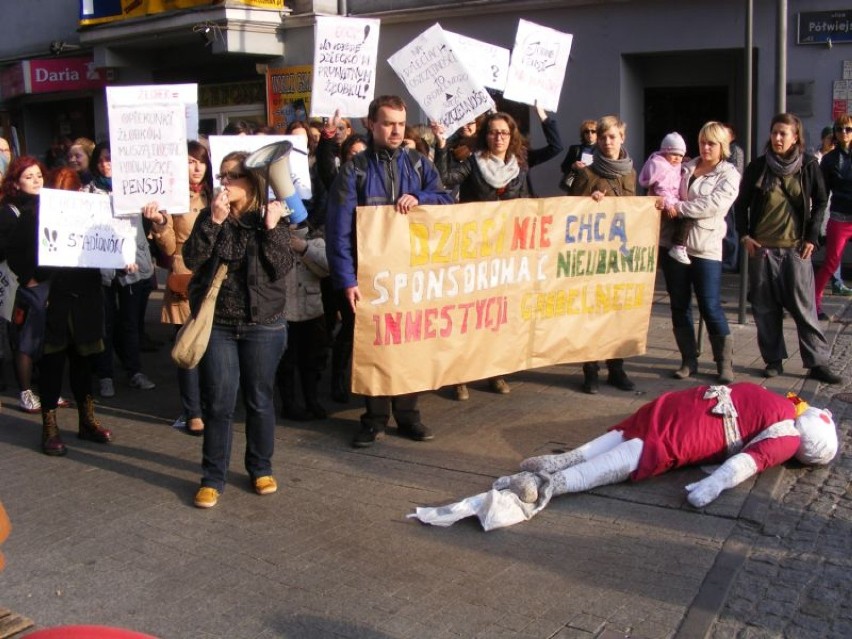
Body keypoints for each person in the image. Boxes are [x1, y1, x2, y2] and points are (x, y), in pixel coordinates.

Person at [412, 383, 837, 531]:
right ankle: (550, 484)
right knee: (623, 460)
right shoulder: (787, 437)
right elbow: (746, 464)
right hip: (685, 433)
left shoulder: (780, 402)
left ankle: (559, 462)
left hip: (675, 406)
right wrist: (708, 488)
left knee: (616, 437)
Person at [325, 95, 454, 448]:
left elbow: (447, 200)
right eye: (388, 123)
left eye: (400, 123)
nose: (395, 130)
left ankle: (409, 416)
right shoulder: (355, 169)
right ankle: (374, 419)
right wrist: (347, 280)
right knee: (375, 347)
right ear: (371, 124)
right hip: (370, 278)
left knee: (410, 342)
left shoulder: (418, 163)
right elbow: (338, 230)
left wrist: (422, 199)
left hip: (411, 277)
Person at [183, 150, 294, 508]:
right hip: (219, 326)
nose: (225, 183)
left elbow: (281, 268)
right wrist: (213, 222)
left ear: (253, 182)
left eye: (233, 176)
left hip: (264, 325)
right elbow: (192, 260)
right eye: (223, 176)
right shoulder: (210, 216)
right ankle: (212, 477)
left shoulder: (271, 217)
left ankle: (260, 468)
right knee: (218, 403)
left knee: (260, 401)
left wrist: (273, 228)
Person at [735, 113, 842, 384]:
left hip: (796, 249)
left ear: (796, 137)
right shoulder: (758, 167)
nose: (778, 138)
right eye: (774, 133)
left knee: (805, 309)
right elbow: (741, 203)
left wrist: (811, 237)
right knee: (765, 308)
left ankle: (816, 362)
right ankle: (773, 360)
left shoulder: (807, 165)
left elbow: (820, 201)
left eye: (784, 133)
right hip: (763, 250)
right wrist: (745, 235)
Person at [432, 111, 530, 400]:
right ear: (484, 135)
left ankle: (494, 372)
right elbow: (443, 179)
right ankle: (459, 376)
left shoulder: (519, 168)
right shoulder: (473, 163)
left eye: (504, 133)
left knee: (496, 315)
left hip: (504, 253)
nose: (498, 137)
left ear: (511, 137)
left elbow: (527, 203)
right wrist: (441, 145)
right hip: (473, 252)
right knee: (468, 315)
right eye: (493, 132)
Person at [35, 167, 114, 455]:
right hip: (55, 303)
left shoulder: (91, 215)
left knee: (84, 363)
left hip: (86, 301)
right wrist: (34, 279)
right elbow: (18, 253)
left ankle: (86, 421)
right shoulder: (37, 217)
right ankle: (49, 427)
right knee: (52, 367)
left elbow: (107, 244)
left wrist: (123, 256)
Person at [657, 122, 740, 382]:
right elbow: (661, 184)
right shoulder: (686, 167)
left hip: (705, 247)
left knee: (710, 305)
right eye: (703, 141)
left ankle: (724, 363)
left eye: (711, 143)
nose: (705, 147)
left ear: (722, 146)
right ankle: (688, 360)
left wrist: (678, 207)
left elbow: (712, 205)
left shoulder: (729, 174)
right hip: (675, 245)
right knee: (679, 305)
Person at [143, 141, 212, 436]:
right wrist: (160, 223)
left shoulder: (216, 192)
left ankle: (212, 403)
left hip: (216, 277)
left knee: (214, 347)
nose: (196, 168)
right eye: (189, 162)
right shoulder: (171, 196)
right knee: (187, 347)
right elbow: (170, 247)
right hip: (185, 277)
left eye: (200, 162)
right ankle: (193, 410)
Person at [568, 115, 637, 394]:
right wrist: (589, 202)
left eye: (613, 137)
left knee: (618, 312)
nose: (607, 142)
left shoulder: (630, 172)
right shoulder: (587, 173)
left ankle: (616, 367)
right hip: (594, 258)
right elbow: (571, 212)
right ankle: (591, 370)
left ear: (622, 138)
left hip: (620, 257)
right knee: (592, 313)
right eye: (604, 137)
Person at [87, 142, 157, 396]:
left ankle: (134, 370)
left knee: (130, 323)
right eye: (102, 159)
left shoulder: (134, 190)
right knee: (104, 322)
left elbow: (146, 226)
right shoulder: (88, 192)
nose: (107, 164)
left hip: (132, 266)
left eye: (111, 159)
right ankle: (105, 375)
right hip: (101, 267)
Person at [0, 156, 54, 413]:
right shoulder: (9, 210)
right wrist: (27, 278)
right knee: (26, 339)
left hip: (48, 282)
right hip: (25, 287)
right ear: (16, 181)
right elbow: (10, 250)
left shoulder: (48, 205)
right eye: (28, 176)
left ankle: (48, 391)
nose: (35, 181)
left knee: (46, 339)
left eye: (39, 176)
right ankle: (25, 392)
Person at [276, 219, 330, 420]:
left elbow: (326, 268)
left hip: (312, 312)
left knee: (312, 360)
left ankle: (312, 400)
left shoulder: (316, 242)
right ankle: (289, 404)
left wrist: (305, 249)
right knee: (286, 362)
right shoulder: (276, 240)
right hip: (285, 312)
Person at [814, 115, 852, 319]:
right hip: (839, 216)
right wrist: (817, 223)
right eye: (839, 129)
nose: (844, 133)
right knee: (831, 262)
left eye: (848, 129)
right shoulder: (829, 159)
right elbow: (822, 194)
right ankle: (815, 304)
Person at [639, 132, 689, 263]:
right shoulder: (660, 166)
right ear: (664, 152)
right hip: (667, 203)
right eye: (673, 154)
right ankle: (678, 246)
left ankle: (677, 246)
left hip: (673, 200)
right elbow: (662, 189)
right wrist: (669, 205)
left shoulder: (674, 165)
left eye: (680, 155)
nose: (677, 158)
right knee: (685, 220)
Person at [559, 119, 598, 191]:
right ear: (583, 134)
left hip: (595, 185)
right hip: (577, 185)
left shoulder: (602, 150)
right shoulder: (575, 149)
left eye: (593, 131)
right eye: (587, 131)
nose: (590, 134)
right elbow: (563, 167)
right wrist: (573, 165)